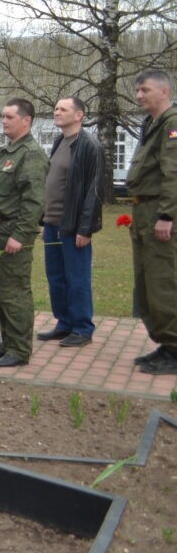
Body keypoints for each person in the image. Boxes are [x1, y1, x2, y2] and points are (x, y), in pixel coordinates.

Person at [0, 99, 49, 367]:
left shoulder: (30, 154)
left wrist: (20, 235)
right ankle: (8, 344)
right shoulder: (7, 153)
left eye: (9, 116)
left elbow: (33, 202)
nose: (3, 121)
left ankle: (19, 351)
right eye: (2, 116)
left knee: (14, 293)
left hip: (13, 231)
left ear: (26, 120)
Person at [37, 96, 104, 348]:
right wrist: (44, 222)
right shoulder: (60, 142)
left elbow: (94, 191)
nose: (57, 112)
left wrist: (86, 228)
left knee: (77, 278)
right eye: (55, 108)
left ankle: (82, 328)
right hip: (53, 225)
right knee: (56, 277)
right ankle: (64, 323)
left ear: (79, 115)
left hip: (74, 226)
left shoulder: (89, 146)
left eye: (63, 109)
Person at [125, 69, 177, 375]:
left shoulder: (172, 126)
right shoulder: (151, 125)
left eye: (145, 90)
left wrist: (167, 215)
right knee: (146, 284)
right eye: (138, 90)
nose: (139, 95)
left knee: (164, 283)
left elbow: (174, 173)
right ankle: (166, 344)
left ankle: (175, 349)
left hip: (160, 213)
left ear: (164, 91)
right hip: (143, 213)